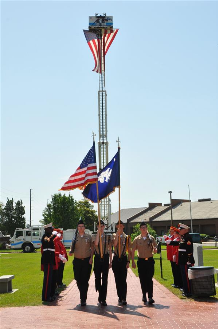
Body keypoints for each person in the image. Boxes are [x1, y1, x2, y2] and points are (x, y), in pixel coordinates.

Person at [132, 222, 157, 305]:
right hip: (141, 261)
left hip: (149, 260)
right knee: (142, 279)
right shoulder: (137, 239)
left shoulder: (151, 238)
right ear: (140, 229)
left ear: (147, 228)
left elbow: (155, 247)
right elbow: (132, 250)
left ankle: (150, 296)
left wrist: (155, 249)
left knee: (149, 278)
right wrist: (133, 261)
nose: (143, 229)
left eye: (145, 227)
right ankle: (144, 295)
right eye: (142, 227)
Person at [166, 223, 195, 297]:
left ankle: (188, 292)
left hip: (186, 260)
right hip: (182, 260)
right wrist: (170, 242)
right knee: (183, 276)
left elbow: (189, 249)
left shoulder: (188, 237)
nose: (180, 231)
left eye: (181, 229)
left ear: (185, 230)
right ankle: (185, 290)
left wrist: (189, 259)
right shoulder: (183, 237)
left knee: (186, 276)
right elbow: (179, 244)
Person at [69, 220, 93, 306]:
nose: (81, 228)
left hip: (86, 261)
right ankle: (82, 292)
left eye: (82, 226)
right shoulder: (75, 238)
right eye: (79, 226)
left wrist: (91, 258)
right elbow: (71, 248)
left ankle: (83, 299)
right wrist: (70, 252)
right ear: (77, 228)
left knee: (85, 280)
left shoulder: (89, 237)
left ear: (84, 228)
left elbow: (92, 248)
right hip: (77, 261)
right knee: (78, 279)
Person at [112, 220, 131, 305]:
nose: (120, 227)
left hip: (123, 259)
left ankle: (124, 298)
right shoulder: (114, 235)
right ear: (116, 227)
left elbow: (129, 250)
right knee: (117, 279)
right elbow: (115, 244)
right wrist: (117, 235)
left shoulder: (126, 237)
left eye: (121, 226)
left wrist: (128, 261)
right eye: (118, 226)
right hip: (116, 259)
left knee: (123, 279)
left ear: (123, 227)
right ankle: (119, 296)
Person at [93, 219, 112, 306]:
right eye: (99, 226)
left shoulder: (107, 236)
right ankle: (100, 292)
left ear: (104, 227)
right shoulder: (94, 236)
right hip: (97, 258)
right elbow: (96, 244)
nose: (101, 228)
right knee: (97, 278)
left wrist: (111, 261)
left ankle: (103, 298)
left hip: (105, 257)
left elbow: (110, 249)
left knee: (104, 279)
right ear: (97, 227)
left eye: (102, 226)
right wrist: (98, 233)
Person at [41, 223, 56, 302]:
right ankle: (46, 297)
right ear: (47, 229)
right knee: (47, 279)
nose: (52, 230)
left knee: (50, 279)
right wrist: (53, 236)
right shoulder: (45, 236)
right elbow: (48, 240)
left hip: (50, 260)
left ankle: (49, 294)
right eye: (51, 229)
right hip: (47, 260)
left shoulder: (49, 236)